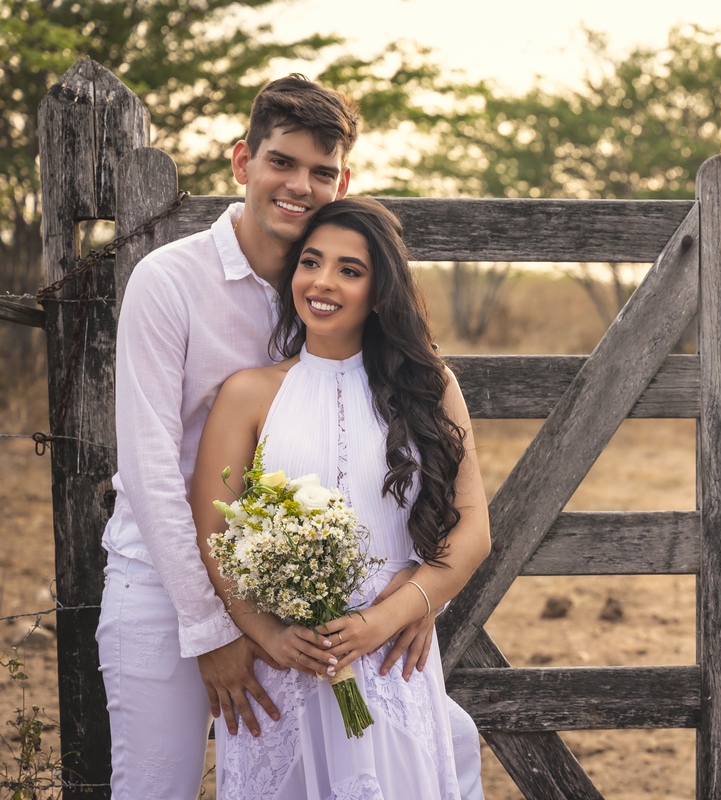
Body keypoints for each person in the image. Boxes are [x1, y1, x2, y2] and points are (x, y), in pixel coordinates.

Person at [98, 75, 485, 799]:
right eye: (282, 162)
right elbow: (152, 474)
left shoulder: (327, 301)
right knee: (156, 785)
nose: (299, 184)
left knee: (441, 748)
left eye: (320, 171)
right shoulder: (169, 282)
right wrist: (214, 629)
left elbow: (382, 466)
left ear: (343, 181)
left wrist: (411, 600)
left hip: (304, 598)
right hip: (163, 577)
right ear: (244, 162)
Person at [189, 197, 490, 799]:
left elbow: (474, 527)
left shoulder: (430, 384)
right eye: (310, 262)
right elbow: (213, 536)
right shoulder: (248, 394)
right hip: (284, 662)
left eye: (350, 270)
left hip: (389, 656)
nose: (323, 283)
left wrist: (394, 613)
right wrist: (268, 634)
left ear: (380, 292)